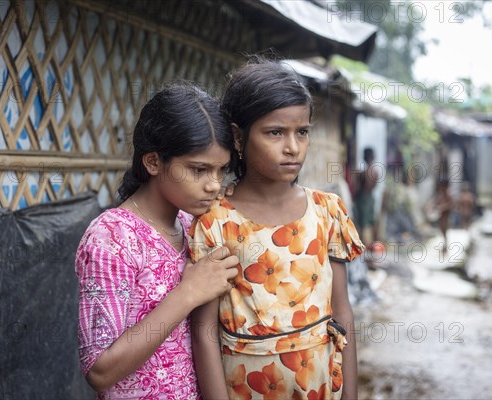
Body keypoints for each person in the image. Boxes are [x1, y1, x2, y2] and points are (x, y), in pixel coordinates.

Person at [189, 58, 365, 400]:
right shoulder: (216, 223)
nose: (292, 147)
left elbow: (342, 310)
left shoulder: (327, 211)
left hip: (321, 387)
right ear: (239, 136)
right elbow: (203, 331)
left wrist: (351, 394)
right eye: (275, 133)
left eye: (302, 132)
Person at [75, 83, 240, 399]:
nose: (214, 184)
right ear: (153, 162)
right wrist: (188, 293)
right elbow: (100, 370)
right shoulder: (112, 238)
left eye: (221, 170)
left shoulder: (191, 226)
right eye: (199, 170)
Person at [353, 147, 379, 248]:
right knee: (371, 221)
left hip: (363, 199)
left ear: (365, 157)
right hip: (371, 198)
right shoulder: (376, 172)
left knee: (362, 224)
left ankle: (363, 246)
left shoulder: (364, 173)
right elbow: (373, 186)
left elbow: (359, 188)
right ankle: (374, 244)